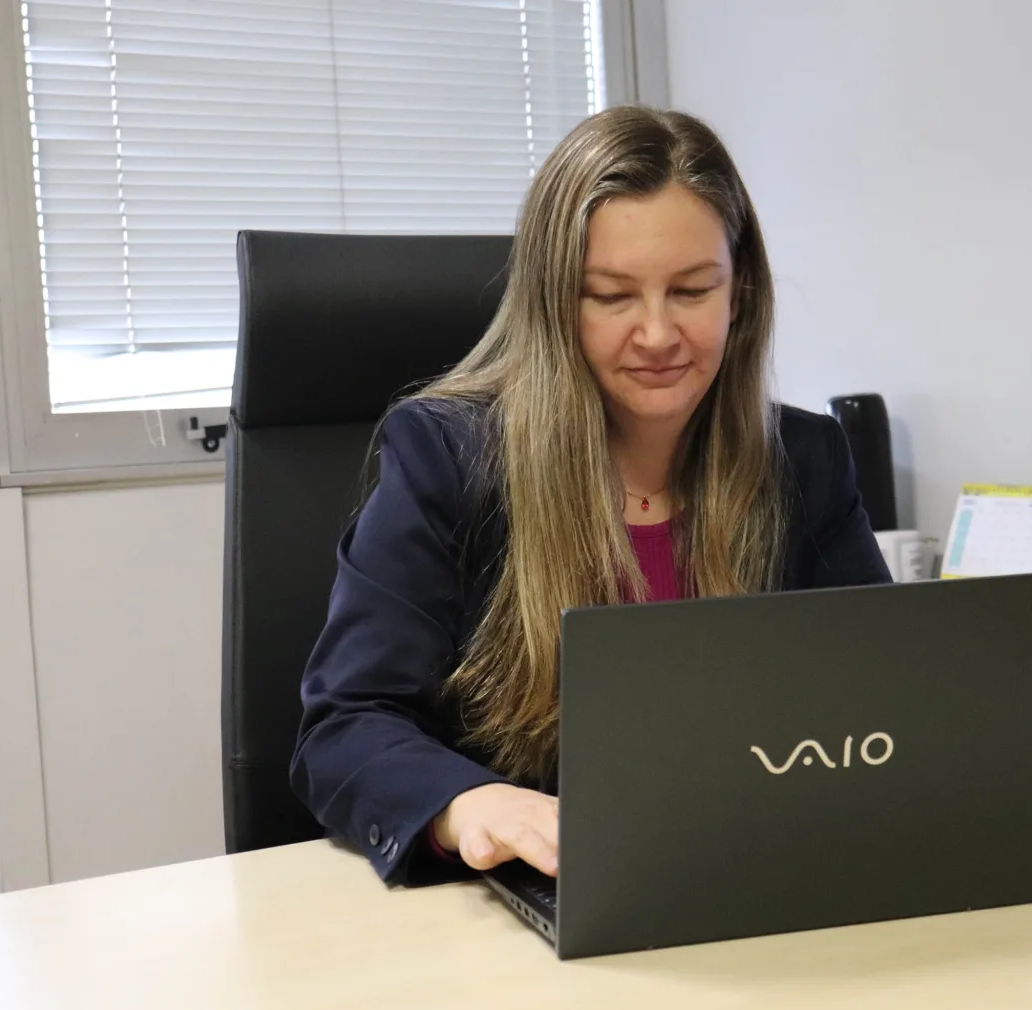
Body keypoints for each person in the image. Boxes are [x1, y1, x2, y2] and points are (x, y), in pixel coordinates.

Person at [291, 106, 892, 887]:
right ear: (554, 302)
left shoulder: (802, 462)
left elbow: (883, 698)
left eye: (691, 290)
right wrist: (466, 803)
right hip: (539, 902)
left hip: (753, 876)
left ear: (738, 293)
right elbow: (343, 724)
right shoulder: (447, 459)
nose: (656, 333)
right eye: (611, 296)